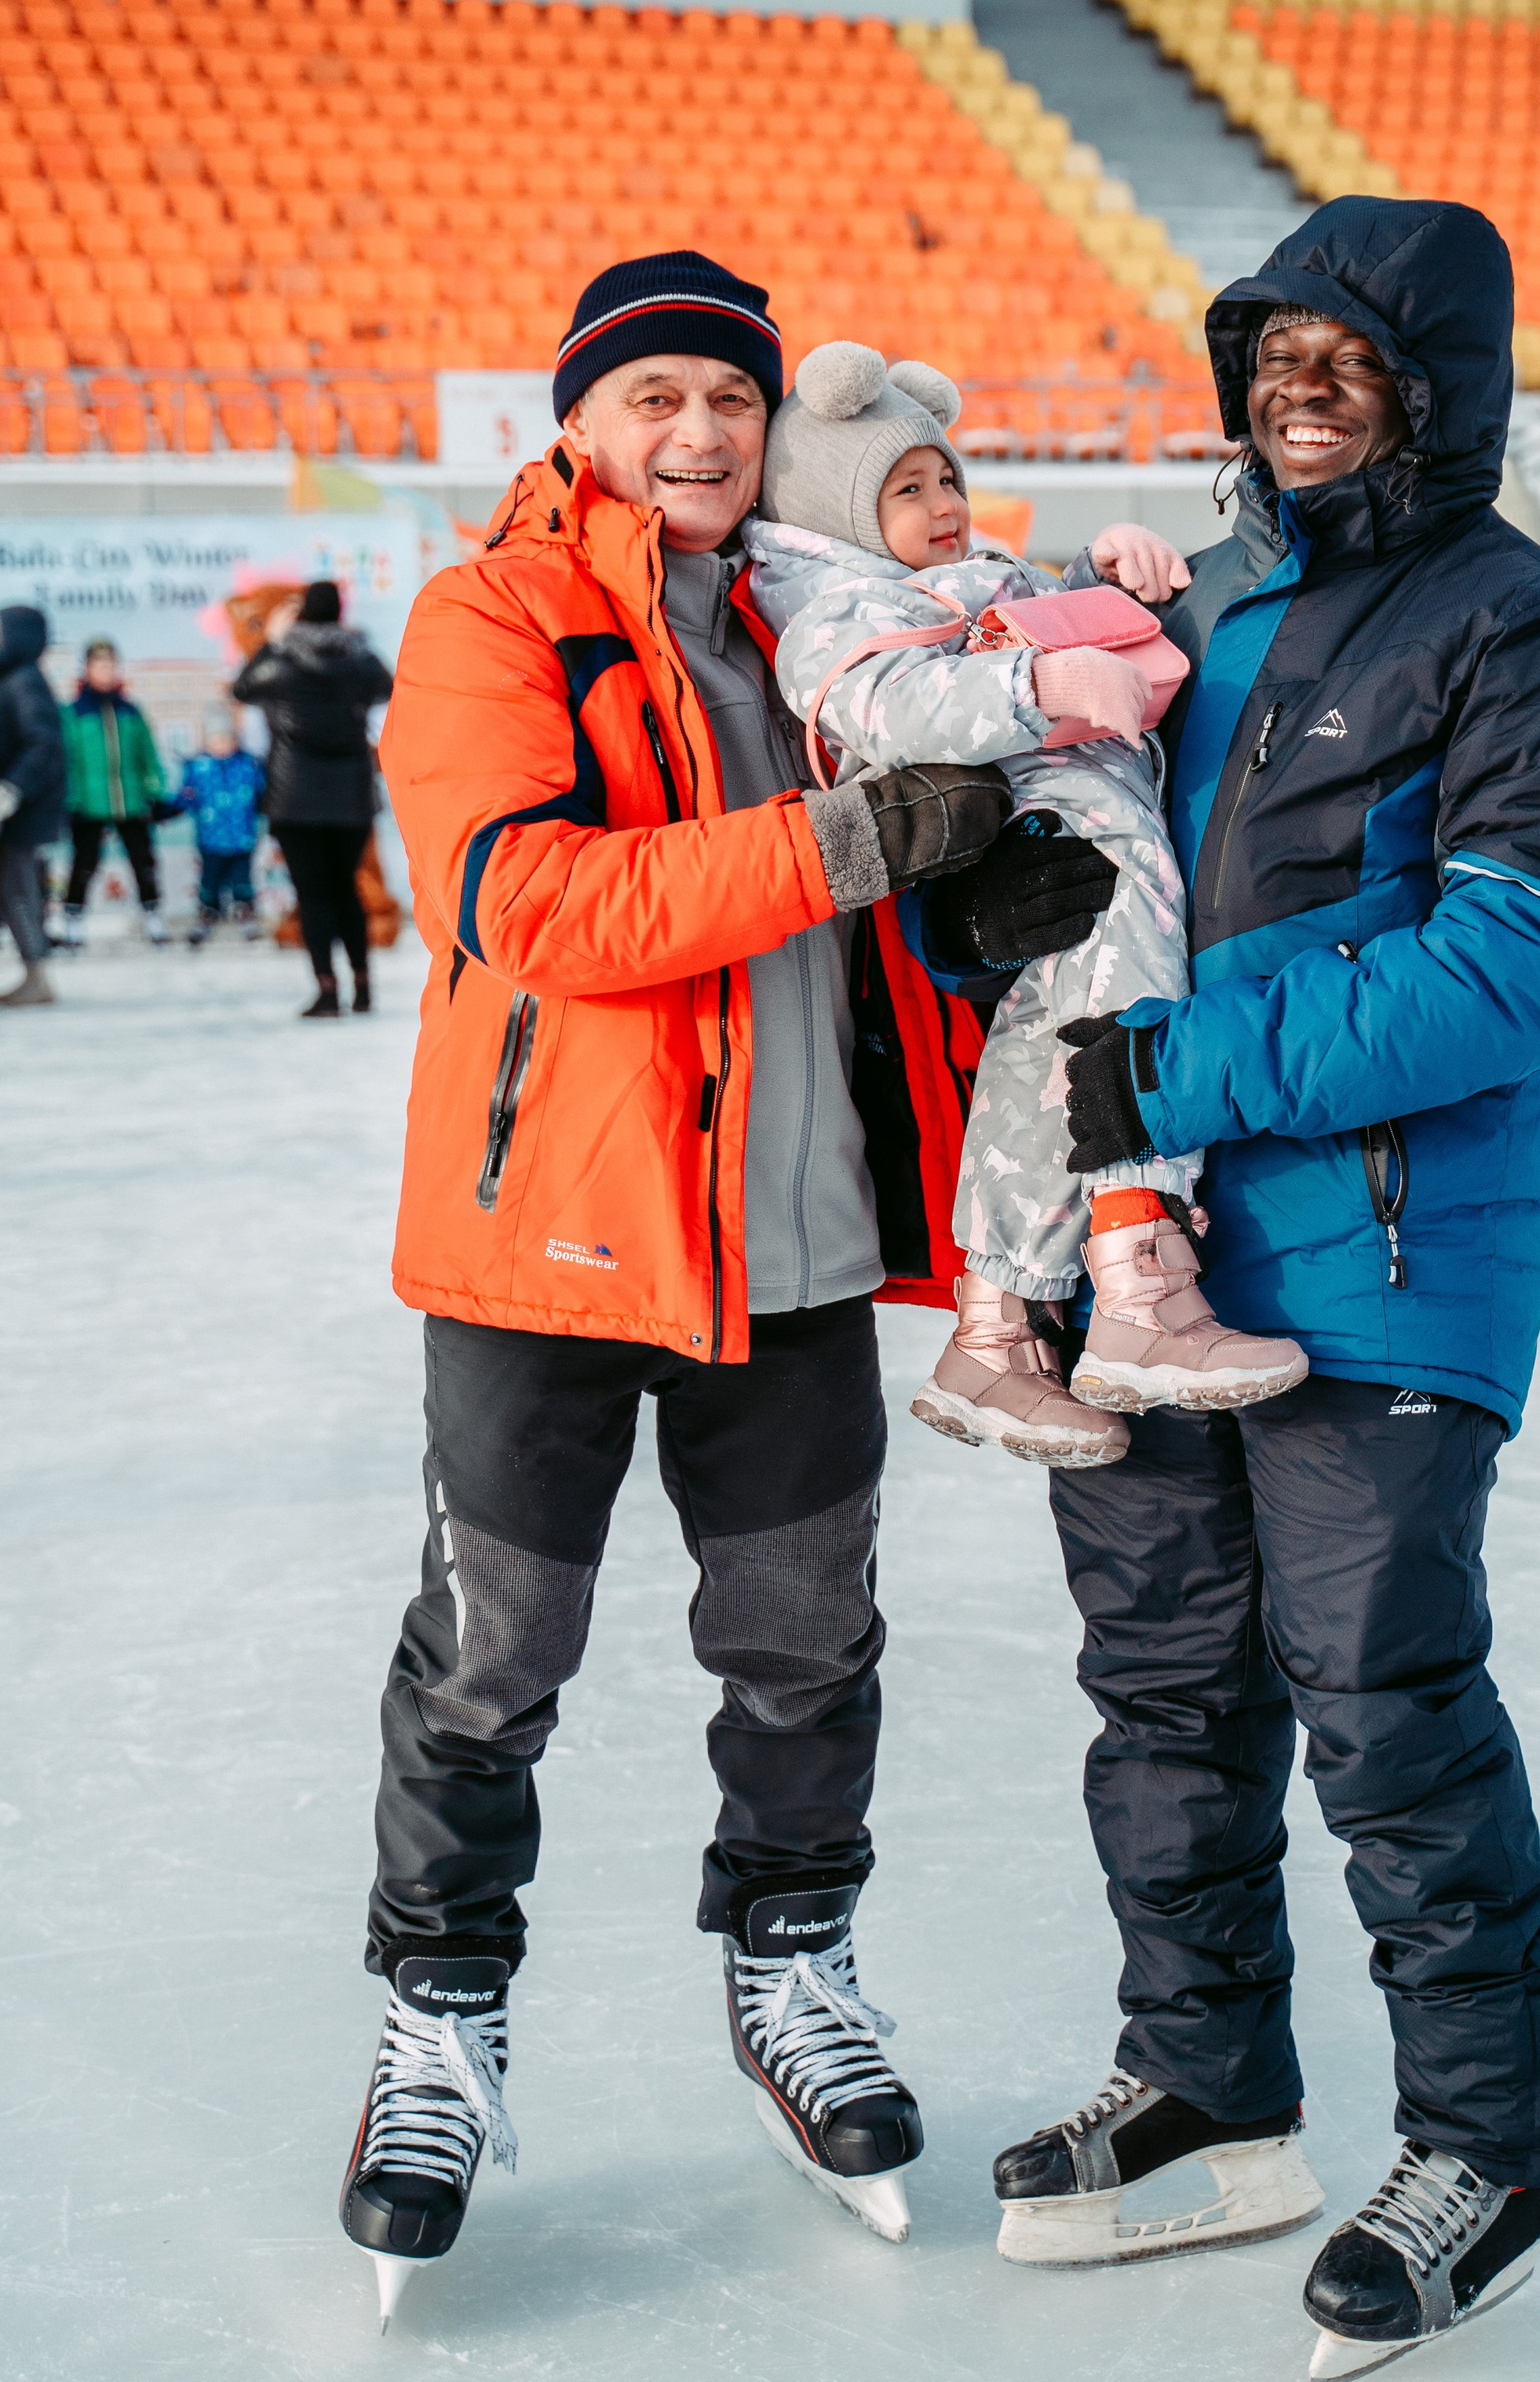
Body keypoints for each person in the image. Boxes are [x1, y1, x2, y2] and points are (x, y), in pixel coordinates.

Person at [338, 250, 1101, 2326]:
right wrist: (857, 840)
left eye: (732, 399)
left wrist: (969, 914)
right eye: (653, 395)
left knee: (804, 1642)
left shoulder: (814, 617)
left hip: (799, 1248)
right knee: (494, 1657)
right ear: (580, 420)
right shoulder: (497, 613)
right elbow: (525, 898)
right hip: (549, 1241)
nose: (695, 431)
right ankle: (437, 2014)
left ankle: (793, 1963)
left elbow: (873, 912)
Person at [940, 199, 1540, 2373]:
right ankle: (1210, 2082)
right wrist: (996, 914)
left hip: (1380, 1253)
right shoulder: (1194, 609)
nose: (1296, 390)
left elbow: (1520, 963)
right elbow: (1095, 887)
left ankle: (1484, 2144)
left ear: (1442, 392)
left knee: (1382, 1699)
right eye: (1271, 355)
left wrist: (1162, 1064)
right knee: (1163, 1687)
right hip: (1142, 1255)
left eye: (1347, 360)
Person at [746, 338, 1308, 1468]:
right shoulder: (833, 609)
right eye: (905, 490)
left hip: (1076, 825)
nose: (943, 505)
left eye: (946, 477)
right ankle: (1140, 1279)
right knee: (1118, 1037)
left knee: (1048, 1054)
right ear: (835, 510)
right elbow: (886, 705)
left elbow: (1050, 617)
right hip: (1044, 829)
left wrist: (1106, 571)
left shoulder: (970, 575)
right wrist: (1035, 684)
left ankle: (997, 1331)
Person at [232, 580, 393, 1016]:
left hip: (295, 797)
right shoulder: (358, 658)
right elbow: (388, 687)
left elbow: (242, 689)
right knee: (347, 890)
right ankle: (363, 985)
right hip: (352, 795)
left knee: (314, 895)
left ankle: (327, 990)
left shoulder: (282, 660)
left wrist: (271, 641)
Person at [57, 635, 170, 946]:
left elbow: (148, 754)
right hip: (89, 802)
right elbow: (67, 759)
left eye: (110, 665)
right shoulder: (74, 713)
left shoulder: (130, 712)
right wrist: (72, 798)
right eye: (99, 665)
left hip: (130, 800)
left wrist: (154, 788)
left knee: (143, 862)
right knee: (84, 863)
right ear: (87, 669)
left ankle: (153, 917)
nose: (105, 671)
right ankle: (73, 922)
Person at [0, 604, 65, 1009]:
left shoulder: (24, 681)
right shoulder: (11, 678)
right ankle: (34, 972)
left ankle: (37, 976)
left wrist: (12, 788)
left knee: (18, 890)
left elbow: (43, 745)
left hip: (22, 810)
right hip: (16, 807)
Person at [175, 704, 266, 942]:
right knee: (210, 880)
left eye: (226, 739)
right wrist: (165, 809)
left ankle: (246, 913)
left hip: (242, 837)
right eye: (215, 739)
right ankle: (208, 913)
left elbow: (263, 794)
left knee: (242, 880)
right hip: (211, 838)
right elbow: (185, 797)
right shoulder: (199, 768)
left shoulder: (248, 765)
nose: (221, 745)